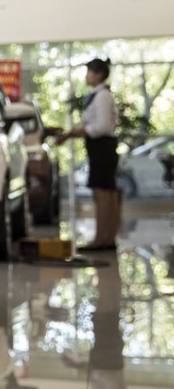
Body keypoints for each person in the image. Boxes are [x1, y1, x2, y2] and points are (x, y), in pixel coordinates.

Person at [57, 58, 120, 250]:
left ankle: (102, 238)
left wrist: (77, 131)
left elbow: (101, 126)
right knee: (104, 192)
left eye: (89, 72)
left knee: (102, 193)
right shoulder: (99, 95)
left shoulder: (102, 97)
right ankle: (106, 237)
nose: (86, 76)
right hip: (99, 148)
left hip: (102, 147)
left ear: (99, 74)